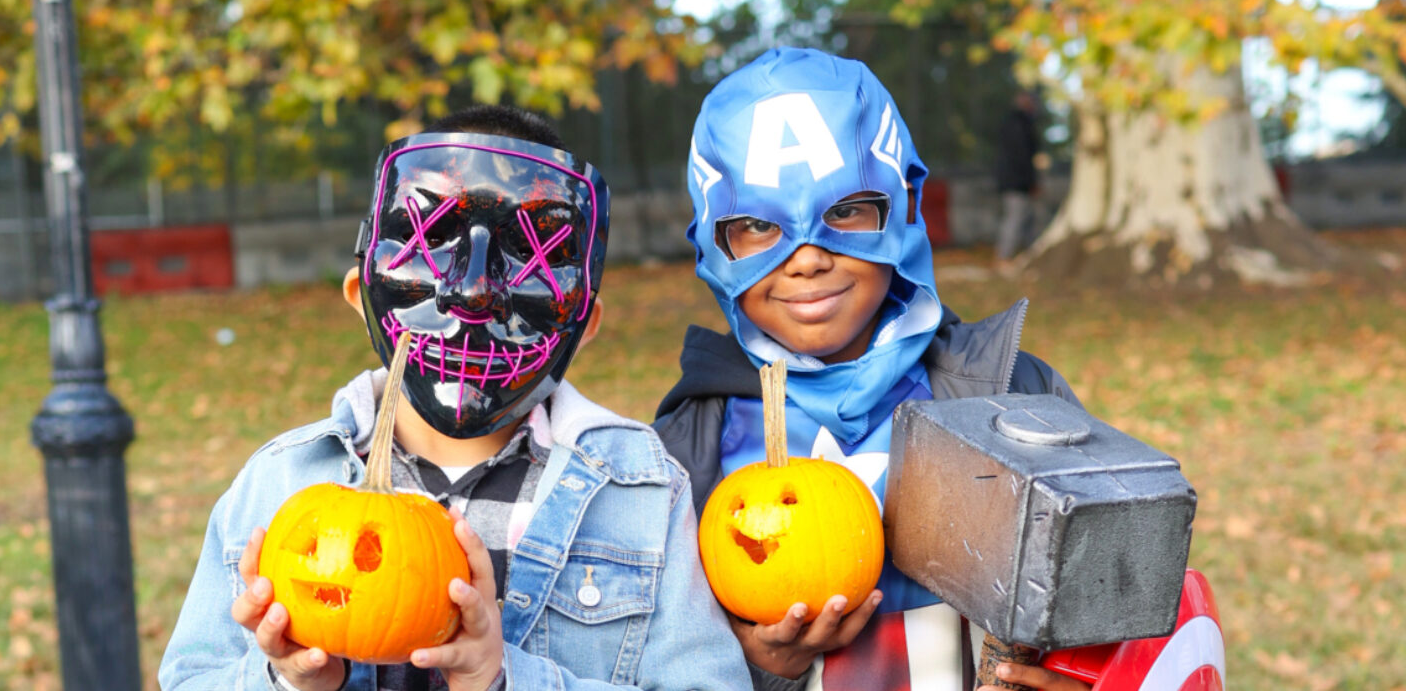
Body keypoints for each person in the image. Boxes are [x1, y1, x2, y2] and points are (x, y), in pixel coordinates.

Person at [160, 105, 754, 691]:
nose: (472, 292)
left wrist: (502, 680)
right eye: (433, 235)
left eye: (534, 249)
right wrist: (290, 681)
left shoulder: (640, 491)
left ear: (587, 320)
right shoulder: (276, 485)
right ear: (357, 291)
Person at [652, 48, 1087, 691]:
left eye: (846, 212)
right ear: (712, 242)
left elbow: (1102, 601)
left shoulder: (1015, 393)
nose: (805, 260)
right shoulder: (689, 441)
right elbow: (655, 664)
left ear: (905, 202)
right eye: (755, 226)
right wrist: (756, 664)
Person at [994, 89, 1042, 264]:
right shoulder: (1019, 125)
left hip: (1015, 181)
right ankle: (1004, 257)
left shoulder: (1016, 123)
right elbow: (1022, 157)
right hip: (1016, 183)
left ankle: (1030, 255)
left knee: (1027, 219)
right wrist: (1031, 182)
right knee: (1015, 219)